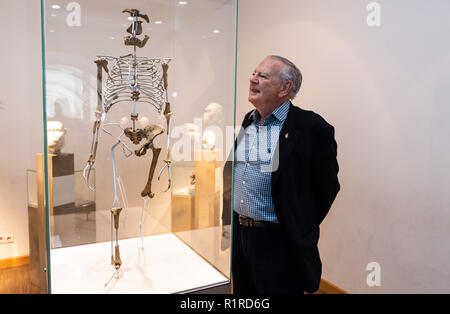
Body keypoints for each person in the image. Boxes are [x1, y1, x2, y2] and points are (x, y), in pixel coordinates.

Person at [226, 55, 340, 294]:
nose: (252, 79)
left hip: (277, 242)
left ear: (285, 88)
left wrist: (299, 223)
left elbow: (327, 186)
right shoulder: (250, 120)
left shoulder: (311, 127)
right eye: (253, 73)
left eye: (262, 76)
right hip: (241, 236)